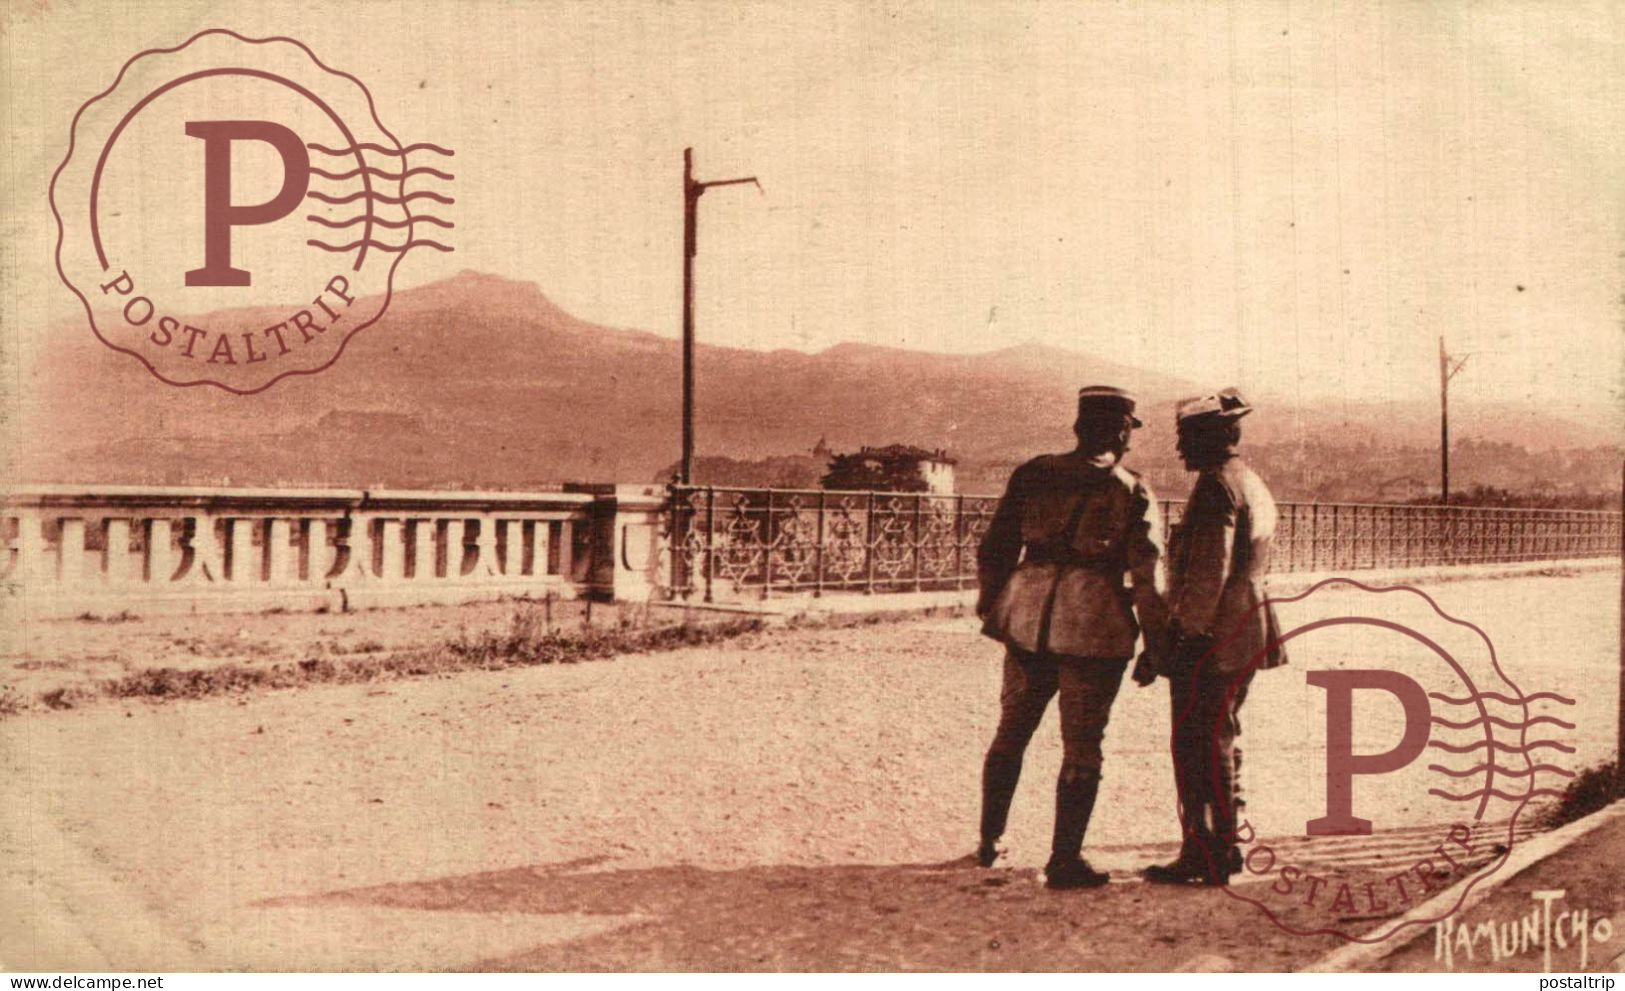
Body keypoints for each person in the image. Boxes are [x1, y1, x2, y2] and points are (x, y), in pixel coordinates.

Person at [974, 385, 1168, 889]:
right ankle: (1064, 859)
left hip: (1027, 611)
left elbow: (995, 546)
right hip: (1091, 619)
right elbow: (1148, 576)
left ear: (1079, 428)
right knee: (1082, 743)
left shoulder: (1033, 473)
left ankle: (989, 840)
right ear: (1123, 432)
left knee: (1012, 729)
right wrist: (1156, 642)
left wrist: (993, 601)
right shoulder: (1131, 489)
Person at [1141, 388, 1289, 886]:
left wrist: (1179, 640)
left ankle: (1203, 851)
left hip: (1213, 634)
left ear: (1214, 436)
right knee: (1221, 738)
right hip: (1246, 628)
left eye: (1187, 437)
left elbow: (1208, 574)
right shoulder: (1250, 481)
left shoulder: (1214, 488)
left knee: (1197, 742)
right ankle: (1223, 847)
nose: (1180, 448)